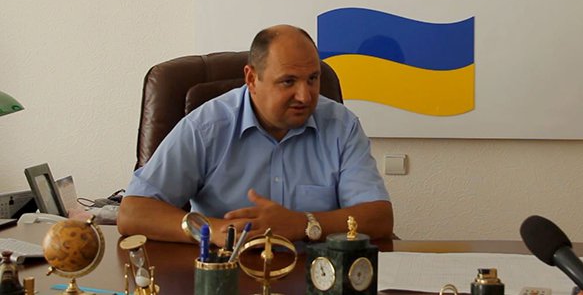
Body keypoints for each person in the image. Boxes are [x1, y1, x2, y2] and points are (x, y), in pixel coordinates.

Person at [117, 25, 393, 246]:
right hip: (229, 272)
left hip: (317, 275)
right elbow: (133, 212)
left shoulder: (341, 126)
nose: (305, 95)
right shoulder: (207, 126)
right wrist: (213, 230)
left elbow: (379, 218)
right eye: (288, 81)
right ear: (251, 79)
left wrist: (302, 223)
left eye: (312, 78)